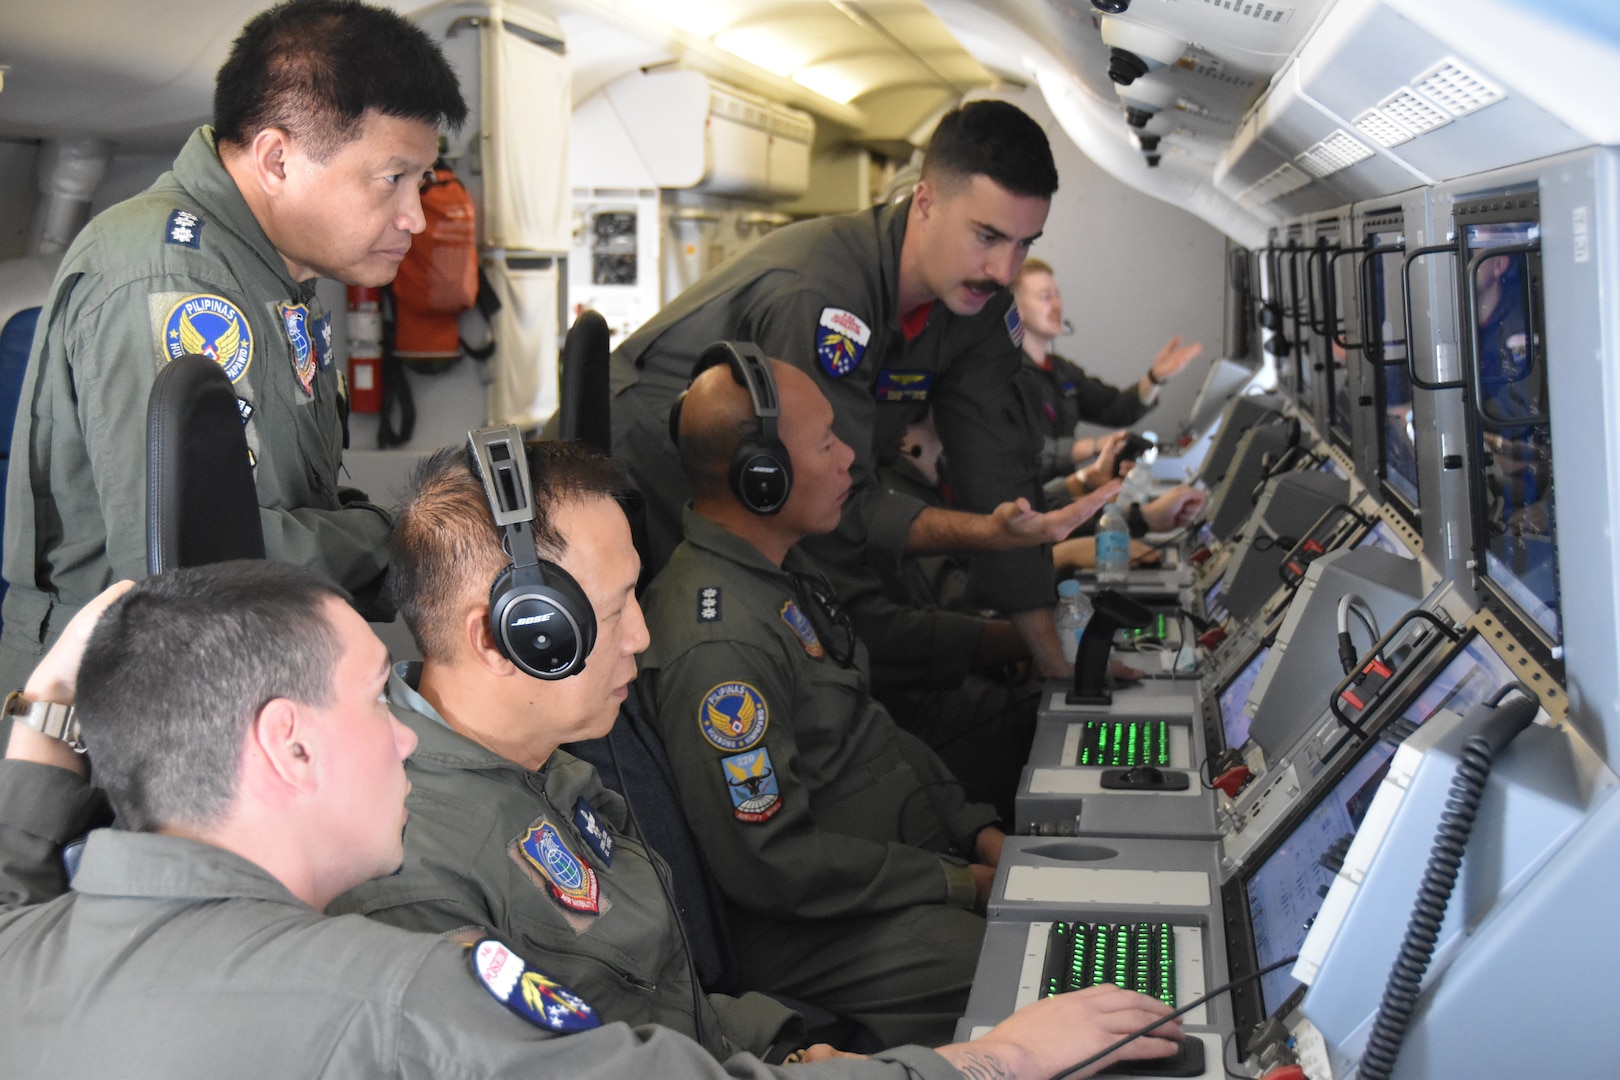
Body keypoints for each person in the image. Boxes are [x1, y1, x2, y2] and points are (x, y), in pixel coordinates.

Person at [0, 562, 1184, 1079]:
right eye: (373, 698)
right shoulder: (404, 995)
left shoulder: (22, 961)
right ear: (287, 741)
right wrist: (998, 1059)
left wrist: (57, 709)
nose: (407, 732)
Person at [0, 0, 468, 693]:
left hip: (228, 666)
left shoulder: (272, 275)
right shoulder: (170, 279)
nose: (413, 216)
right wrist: (410, 541)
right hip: (119, 699)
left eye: (421, 182)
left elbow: (295, 495)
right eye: (391, 178)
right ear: (277, 159)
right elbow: (197, 566)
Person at [330, 437, 803, 1060]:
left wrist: (777, 1054)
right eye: (612, 614)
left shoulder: (544, 763)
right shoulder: (415, 883)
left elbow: (650, 1001)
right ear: (509, 638)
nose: (640, 635)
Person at [612, 98, 1115, 680]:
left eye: (1025, 244)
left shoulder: (979, 305)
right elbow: (824, 493)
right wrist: (982, 538)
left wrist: (1051, 656)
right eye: (987, 236)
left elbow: (997, 473)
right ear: (925, 202)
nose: (1005, 270)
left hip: (769, 489)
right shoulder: (824, 296)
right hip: (648, 472)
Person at [641, 355, 1007, 1048]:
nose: (848, 461)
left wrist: (981, 832)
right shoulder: (719, 646)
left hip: (888, 872)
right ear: (761, 478)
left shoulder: (780, 571)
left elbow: (869, 725)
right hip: (813, 922)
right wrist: (961, 883)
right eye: (826, 445)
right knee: (1025, 974)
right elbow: (773, 864)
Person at [1010, 257, 1203, 487]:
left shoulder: (1061, 370)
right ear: (1016, 309)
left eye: (1057, 295)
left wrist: (1155, 378)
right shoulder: (1004, 374)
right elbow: (1024, 451)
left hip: (1063, 497)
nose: (1058, 304)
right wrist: (1095, 446)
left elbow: (1114, 409)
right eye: (1045, 297)